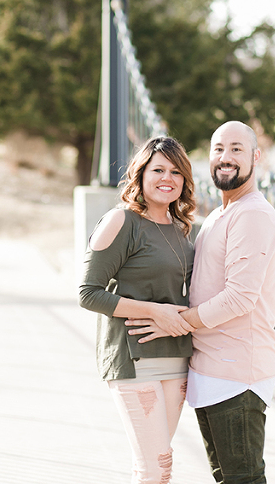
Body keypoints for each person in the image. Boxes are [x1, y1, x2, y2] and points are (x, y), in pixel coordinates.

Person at [127, 121, 275, 484]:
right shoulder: (220, 214)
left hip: (237, 373)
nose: (225, 158)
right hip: (212, 368)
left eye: (236, 149)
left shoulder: (253, 214)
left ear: (256, 157)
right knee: (227, 477)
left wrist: (176, 321)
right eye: (218, 149)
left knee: (243, 478)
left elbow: (239, 298)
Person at [78, 136, 197, 484]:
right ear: (140, 174)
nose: (167, 178)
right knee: (157, 465)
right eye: (158, 169)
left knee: (152, 463)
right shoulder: (121, 221)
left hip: (176, 358)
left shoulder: (181, 231)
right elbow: (89, 293)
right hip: (134, 359)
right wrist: (154, 312)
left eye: (176, 171)